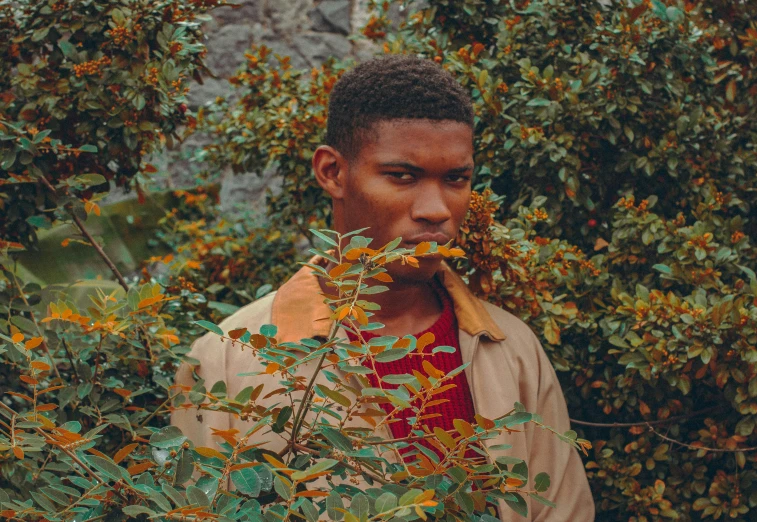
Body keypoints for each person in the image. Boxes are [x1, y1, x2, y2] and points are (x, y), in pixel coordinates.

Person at [172, 54, 595, 521]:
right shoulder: (228, 358)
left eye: (456, 178)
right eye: (403, 176)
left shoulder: (512, 349)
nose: (436, 209)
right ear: (333, 172)